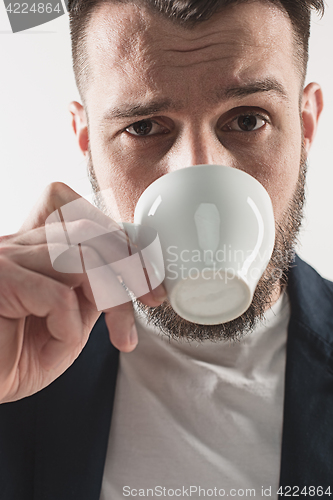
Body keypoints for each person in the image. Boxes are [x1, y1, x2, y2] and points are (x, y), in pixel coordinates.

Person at [0, 0, 332, 498]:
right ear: (87, 141)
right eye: (143, 127)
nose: (198, 172)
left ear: (305, 126)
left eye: (247, 121)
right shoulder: (19, 346)